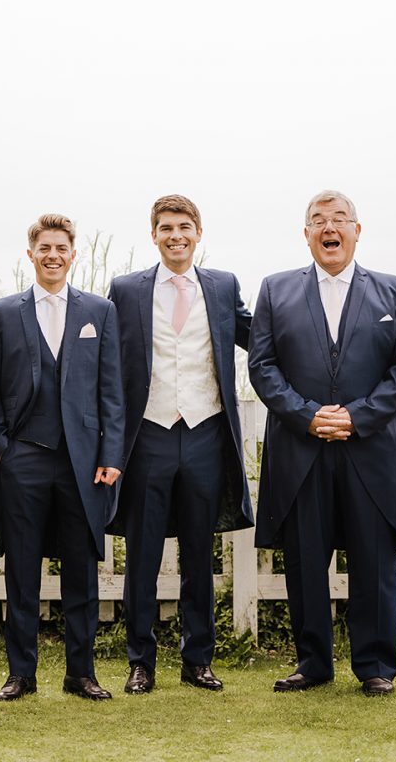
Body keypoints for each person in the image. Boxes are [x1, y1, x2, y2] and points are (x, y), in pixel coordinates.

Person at [248, 190, 396, 695]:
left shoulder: (393, 290)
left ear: (357, 231)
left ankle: (376, 666)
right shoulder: (275, 289)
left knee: (374, 559)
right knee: (305, 560)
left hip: (370, 449)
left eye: (340, 219)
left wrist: (355, 416)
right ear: (306, 234)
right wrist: (308, 416)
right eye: (319, 220)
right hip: (301, 449)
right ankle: (313, 663)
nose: (330, 227)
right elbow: (262, 365)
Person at [106, 194, 255, 695]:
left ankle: (198, 660)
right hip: (147, 434)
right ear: (154, 235)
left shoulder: (222, 285)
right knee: (142, 555)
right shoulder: (126, 289)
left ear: (198, 232)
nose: (176, 236)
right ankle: (140, 662)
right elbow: (106, 356)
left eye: (184, 227)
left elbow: (258, 336)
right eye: (166, 228)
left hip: (205, 432)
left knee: (198, 553)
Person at [0, 213, 124, 701]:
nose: (53, 255)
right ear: (31, 254)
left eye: (61, 248)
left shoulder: (99, 312)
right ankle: (21, 673)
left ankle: (81, 673)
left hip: (84, 464)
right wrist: (4, 451)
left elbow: (112, 392)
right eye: (45, 248)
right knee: (22, 572)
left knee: (82, 571)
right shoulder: (1, 313)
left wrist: (111, 454)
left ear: (73, 254)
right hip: (25, 459)